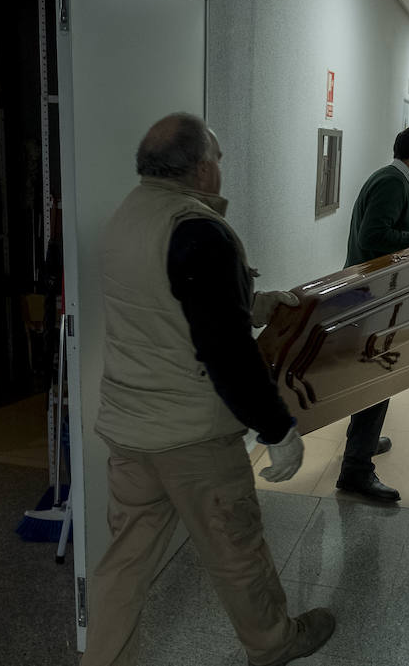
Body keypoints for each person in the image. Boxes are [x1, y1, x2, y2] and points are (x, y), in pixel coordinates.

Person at [79, 113, 335, 666]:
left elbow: (168, 306)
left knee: (123, 565)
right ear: (201, 169)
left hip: (129, 430)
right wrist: (277, 428)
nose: (220, 169)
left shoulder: (126, 216)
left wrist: (257, 304)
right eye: (217, 159)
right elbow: (225, 352)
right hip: (193, 437)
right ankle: (273, 643)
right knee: (236, 551)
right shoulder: (198, 229)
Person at [336, 121, 409, 502]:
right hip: (371, 295)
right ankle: (356, 470)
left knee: (374, 375)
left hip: (375, 290)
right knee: (377, 375)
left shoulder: (394, 180)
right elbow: (374, 238)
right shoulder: (392, 182)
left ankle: (363, 443)